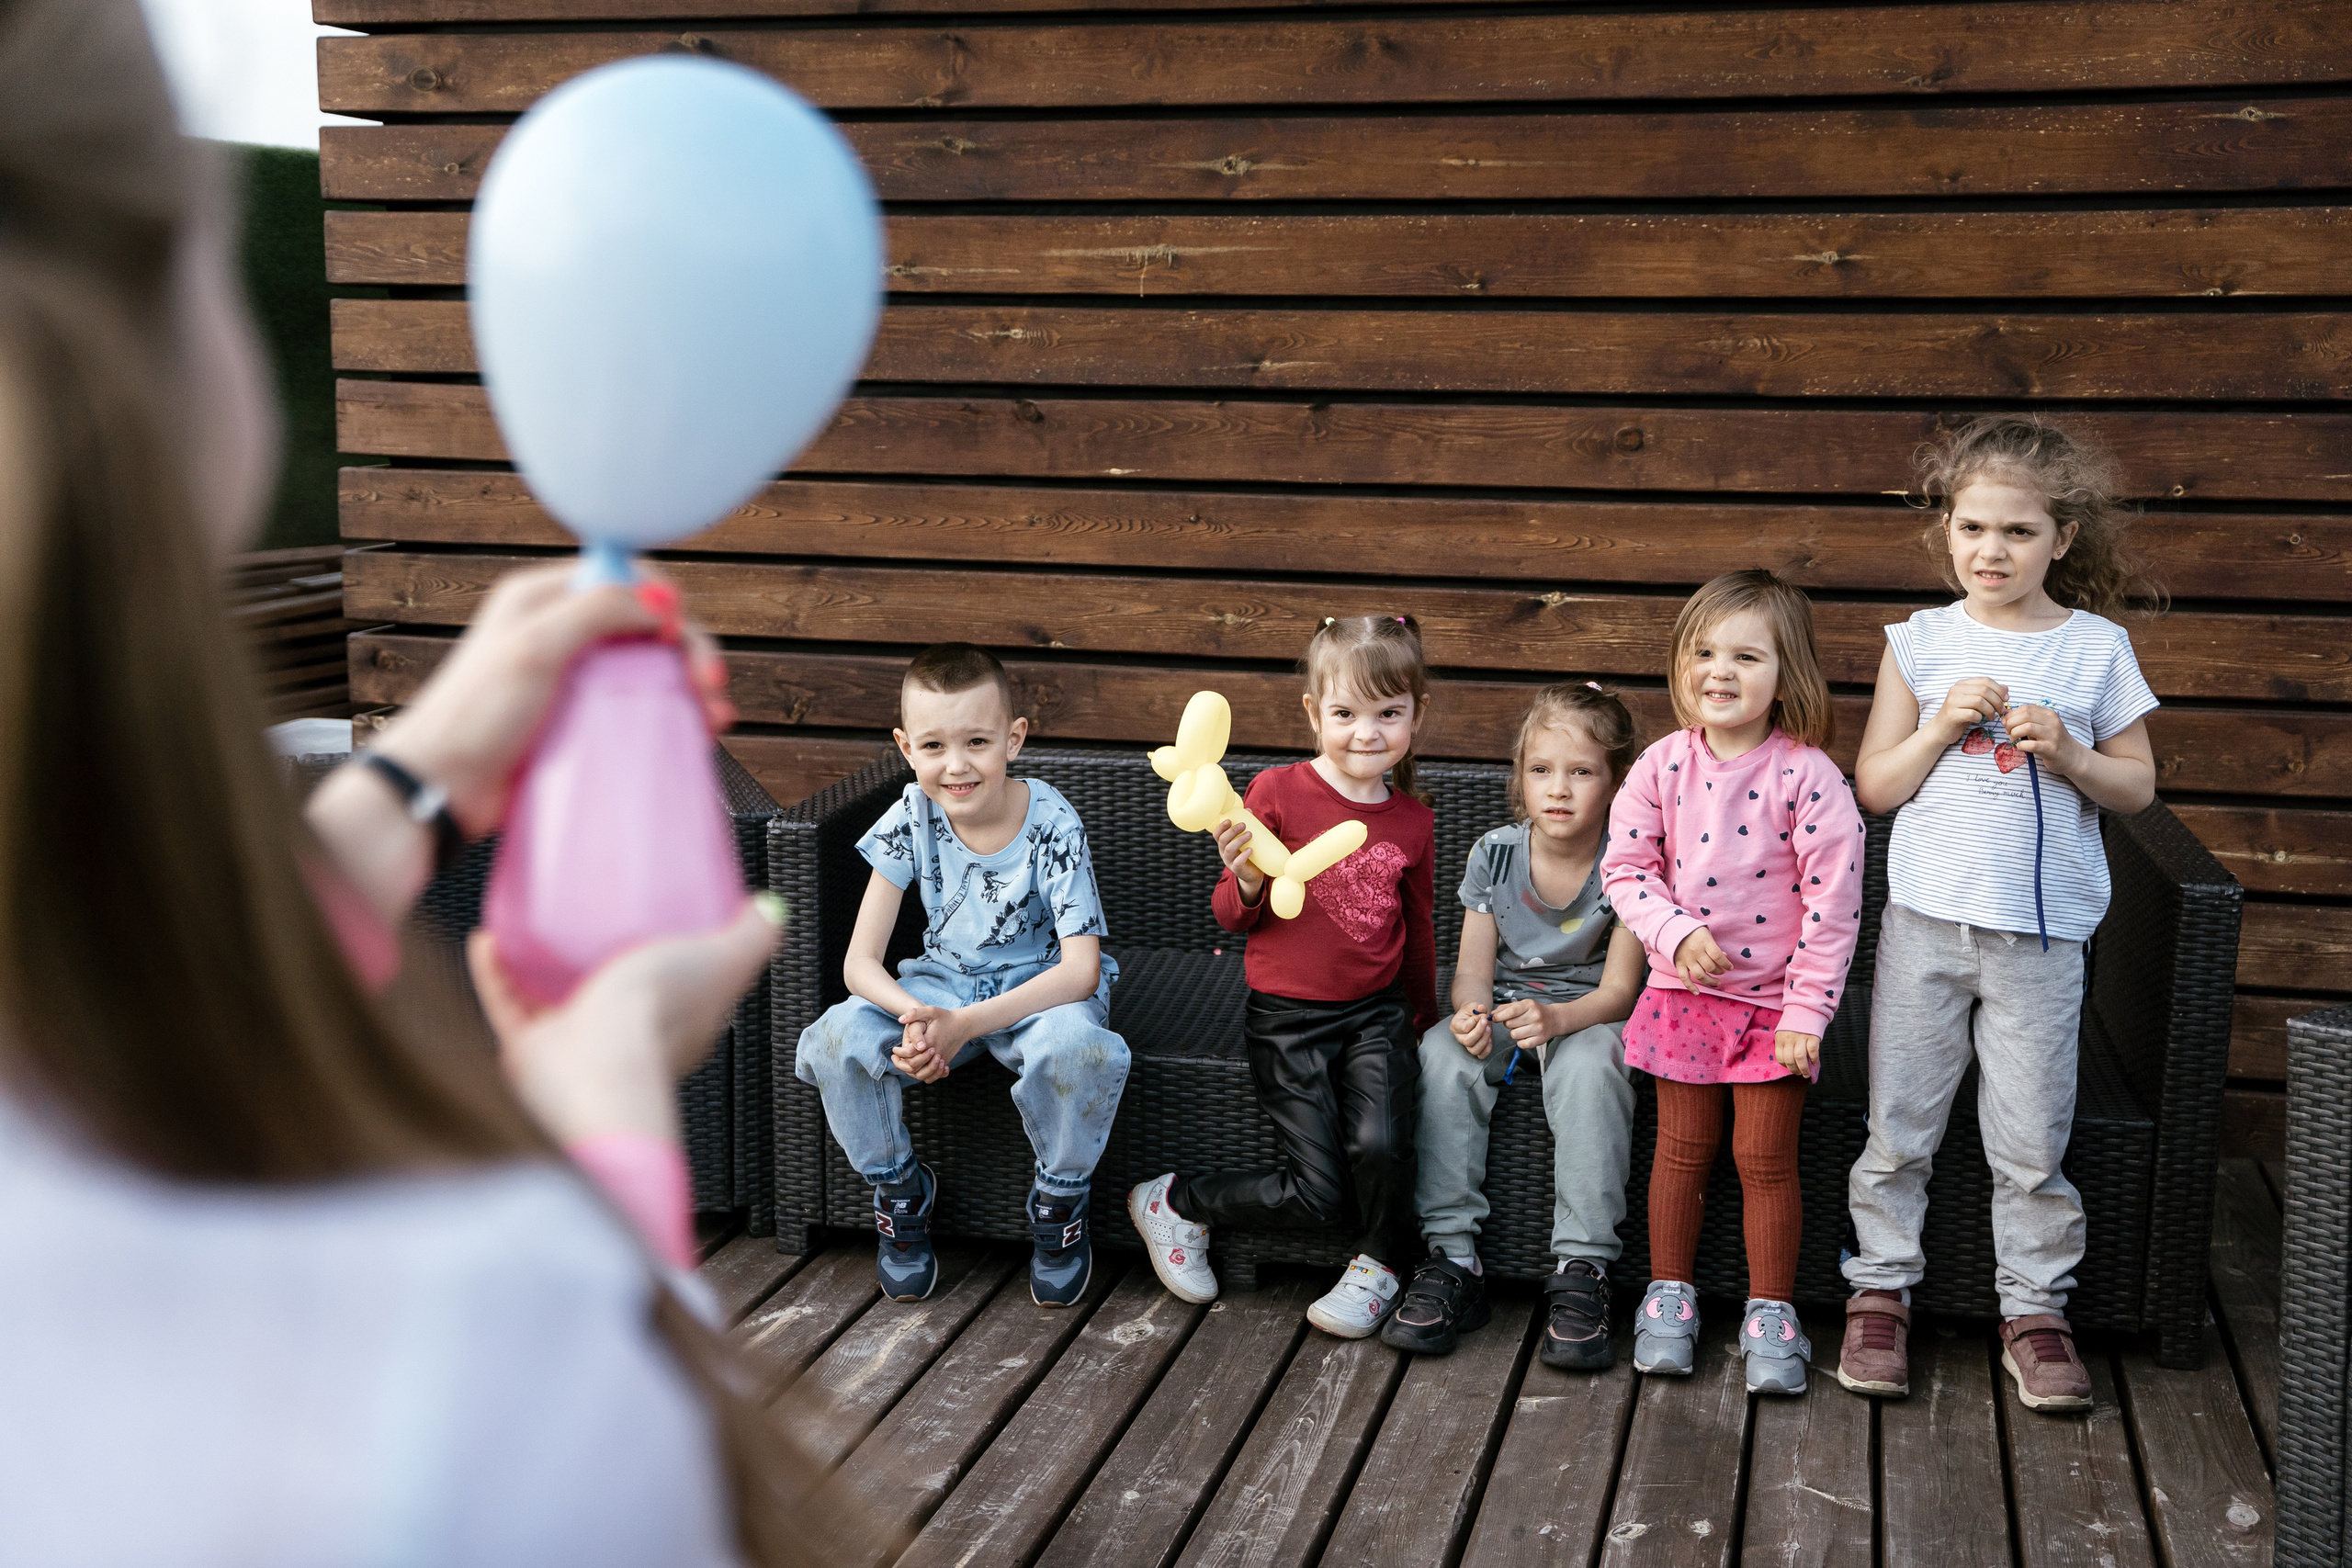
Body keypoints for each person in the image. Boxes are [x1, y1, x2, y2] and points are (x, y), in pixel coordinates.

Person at [0, 2, 827, 1562]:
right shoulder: (483, 1344)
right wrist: (607, 1132)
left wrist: (417, 778)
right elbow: (617, 1471)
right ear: (171, 349)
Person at [1839, 414, 2160, 1415]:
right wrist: (1939, 724)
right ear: (1946, 530)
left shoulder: (2097, 650)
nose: (1991, 550)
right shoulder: (1921, 642)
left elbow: (2137, 788)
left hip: (2041, 941)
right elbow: (1875, 787)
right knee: (1898, 1125)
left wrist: (2067, 753)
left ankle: (2033, 1309)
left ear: (2062, 539)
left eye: (2017, 533)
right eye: (1972, 527)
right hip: (1926, 928)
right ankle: (1879, 1291)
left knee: (2029, 1142)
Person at [1129, 615, 1439, 1338]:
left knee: (1383, 1145)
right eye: (1346, 713)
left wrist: (1421, 1019)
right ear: (1313, 713)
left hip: (1375, 1015)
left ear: (1417, 715)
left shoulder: (1413, 822)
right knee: (1321, 1190)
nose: (1367, 732)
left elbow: (1417, 930)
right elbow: (1230, 918)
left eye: (1389, 713)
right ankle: (1179, 1201)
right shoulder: (1275, 791)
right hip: (1287, 1019)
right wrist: (1241, 877)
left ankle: (1380, 1264)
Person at [794, 644, 1130, 1309]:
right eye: (934, 745)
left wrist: (963, 1026)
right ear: (905, 747)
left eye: (977, 740)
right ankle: (899, 1187)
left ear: (1014, 738)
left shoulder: (1053, 823)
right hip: (937, 986)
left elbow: (1080, 969)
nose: (957, 764)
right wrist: (917, 1017)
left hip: (1039, 989)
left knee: (1080, 1050)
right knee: (835, 1037)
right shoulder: (909, 818)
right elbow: (860, 964)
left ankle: (1060, 1202)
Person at [1600, 570, 1865, 1396]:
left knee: (1763, 1158)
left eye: (1746, 655)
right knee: (1680, 1150)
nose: (1720, 670)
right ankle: (1669, 1294)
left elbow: (1835, 905)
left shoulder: (1807, 776)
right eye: (1703, 651)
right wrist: (1675, 933)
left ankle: (1771, 1311)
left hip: (1774, 1011)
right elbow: (1626, 868)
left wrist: (1808, 1013)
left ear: (1787, 676)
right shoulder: (1661, 764)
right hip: (1685, 996)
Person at [1383, 683, 1647, 1368]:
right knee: (1441, 1054)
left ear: (1617, 782)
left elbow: (1621, 991)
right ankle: (1452, 1258)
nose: (1558, 789)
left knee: (1594, 1067)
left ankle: (1583, 1268)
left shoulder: (1632, 863)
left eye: (1582, 771)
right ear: (1520, 777)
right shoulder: (1495, 855)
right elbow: (1472, 972)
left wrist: (1559, 1016)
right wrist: (1469, 1015)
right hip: (1507, 1006)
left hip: (1587, 1014)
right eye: (1541, 770)